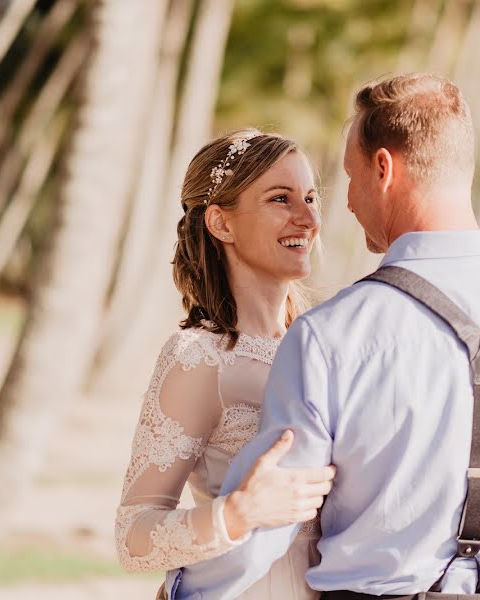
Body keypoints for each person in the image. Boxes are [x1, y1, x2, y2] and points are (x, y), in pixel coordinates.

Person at [171, 74, 480, 600]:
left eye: (352, 178)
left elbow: (271, 516)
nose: (347, 205)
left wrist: (182, 588)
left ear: (384, 169)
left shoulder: (328, 337)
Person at [115, 129, 335, 599]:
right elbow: (132, 536)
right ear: (221, 223)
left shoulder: (324, 345)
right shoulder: (199, 358)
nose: (308, 218)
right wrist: (237, 514)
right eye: (281, 199)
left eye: (311, 197)